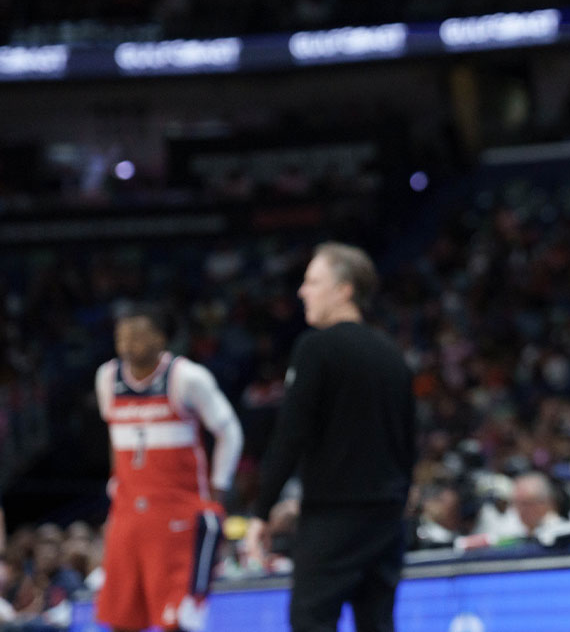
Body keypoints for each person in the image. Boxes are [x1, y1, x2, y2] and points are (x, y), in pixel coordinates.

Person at [242, 242, 417, 632]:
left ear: (344, 290)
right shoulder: (393, 355)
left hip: (335, 515)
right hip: (386, 518)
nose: (303, 291)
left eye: (313, 281)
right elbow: (408, 445)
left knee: (311, 620)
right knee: (377, 623)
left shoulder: (316, 348)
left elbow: (290, 434)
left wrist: (261, 510)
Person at [95, 303, 241, 632]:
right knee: (121, 619)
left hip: (179, 514)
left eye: (137, 335)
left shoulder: (186, 377)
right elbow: (114, 434)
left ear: (161, 339)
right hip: (128, 514)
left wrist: (218, 485)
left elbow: (230, 431)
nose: (127, 343)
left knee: (179, 621)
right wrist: (116, 478)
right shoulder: (107, 377)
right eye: (121, 335)